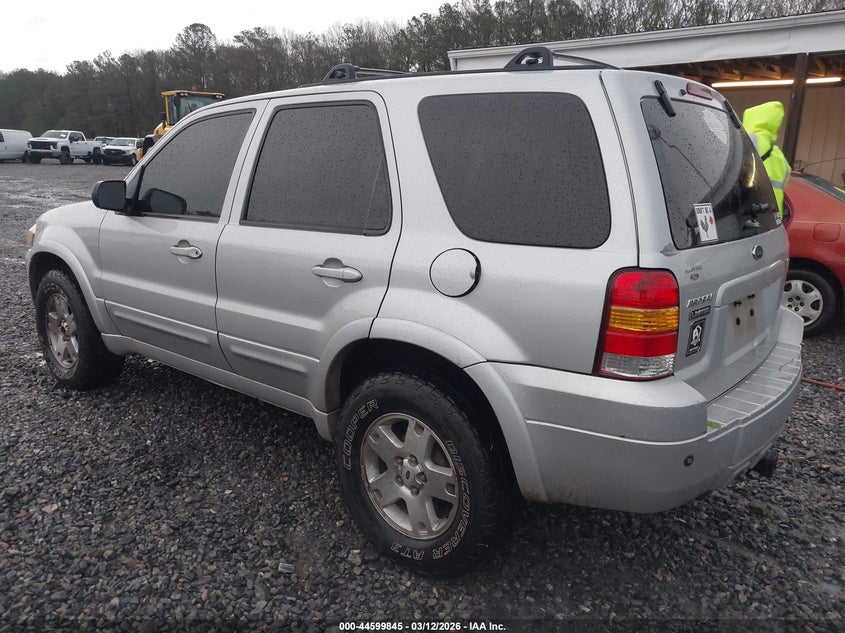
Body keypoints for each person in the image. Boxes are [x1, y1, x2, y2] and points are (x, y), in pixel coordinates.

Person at [742, 101, 791, 218]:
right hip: (773, 219)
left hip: (748, 217)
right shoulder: (778, 155)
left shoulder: (746, 141)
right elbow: (786, 175)